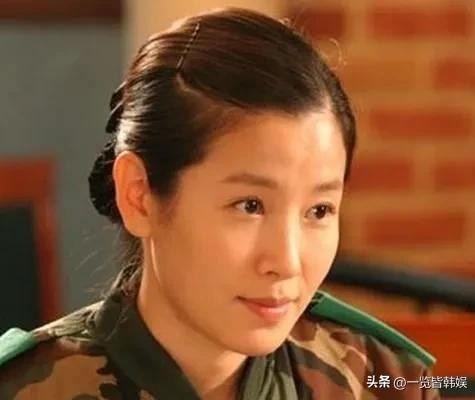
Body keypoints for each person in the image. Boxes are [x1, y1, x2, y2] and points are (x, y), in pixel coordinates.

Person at [0, 7, 440, 400]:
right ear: (140, 195)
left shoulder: (389, 381)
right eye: (249, 205)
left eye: (319, 210)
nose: (287, 262)